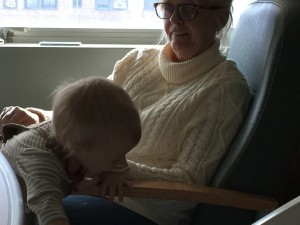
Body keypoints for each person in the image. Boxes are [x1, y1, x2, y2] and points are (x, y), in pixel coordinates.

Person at [0, 0, 252, 224]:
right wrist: (40, 118)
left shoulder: (224, 89)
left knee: (28, 208)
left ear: (220, 16)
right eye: (168, 7)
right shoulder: (137, 60)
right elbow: (91, 119)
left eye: (189, 9)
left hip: (142, 205)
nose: (174, 20)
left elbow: (189, 179)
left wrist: (112, 166)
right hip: (90, 185)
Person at [0, 76, 141, 225]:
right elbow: (46, 204)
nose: (122, 161)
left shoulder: (80, 139)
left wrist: (115, 172)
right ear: (79, 147)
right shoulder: (39, 160)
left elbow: (117, 154)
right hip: (8, 206)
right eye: (116, 159)